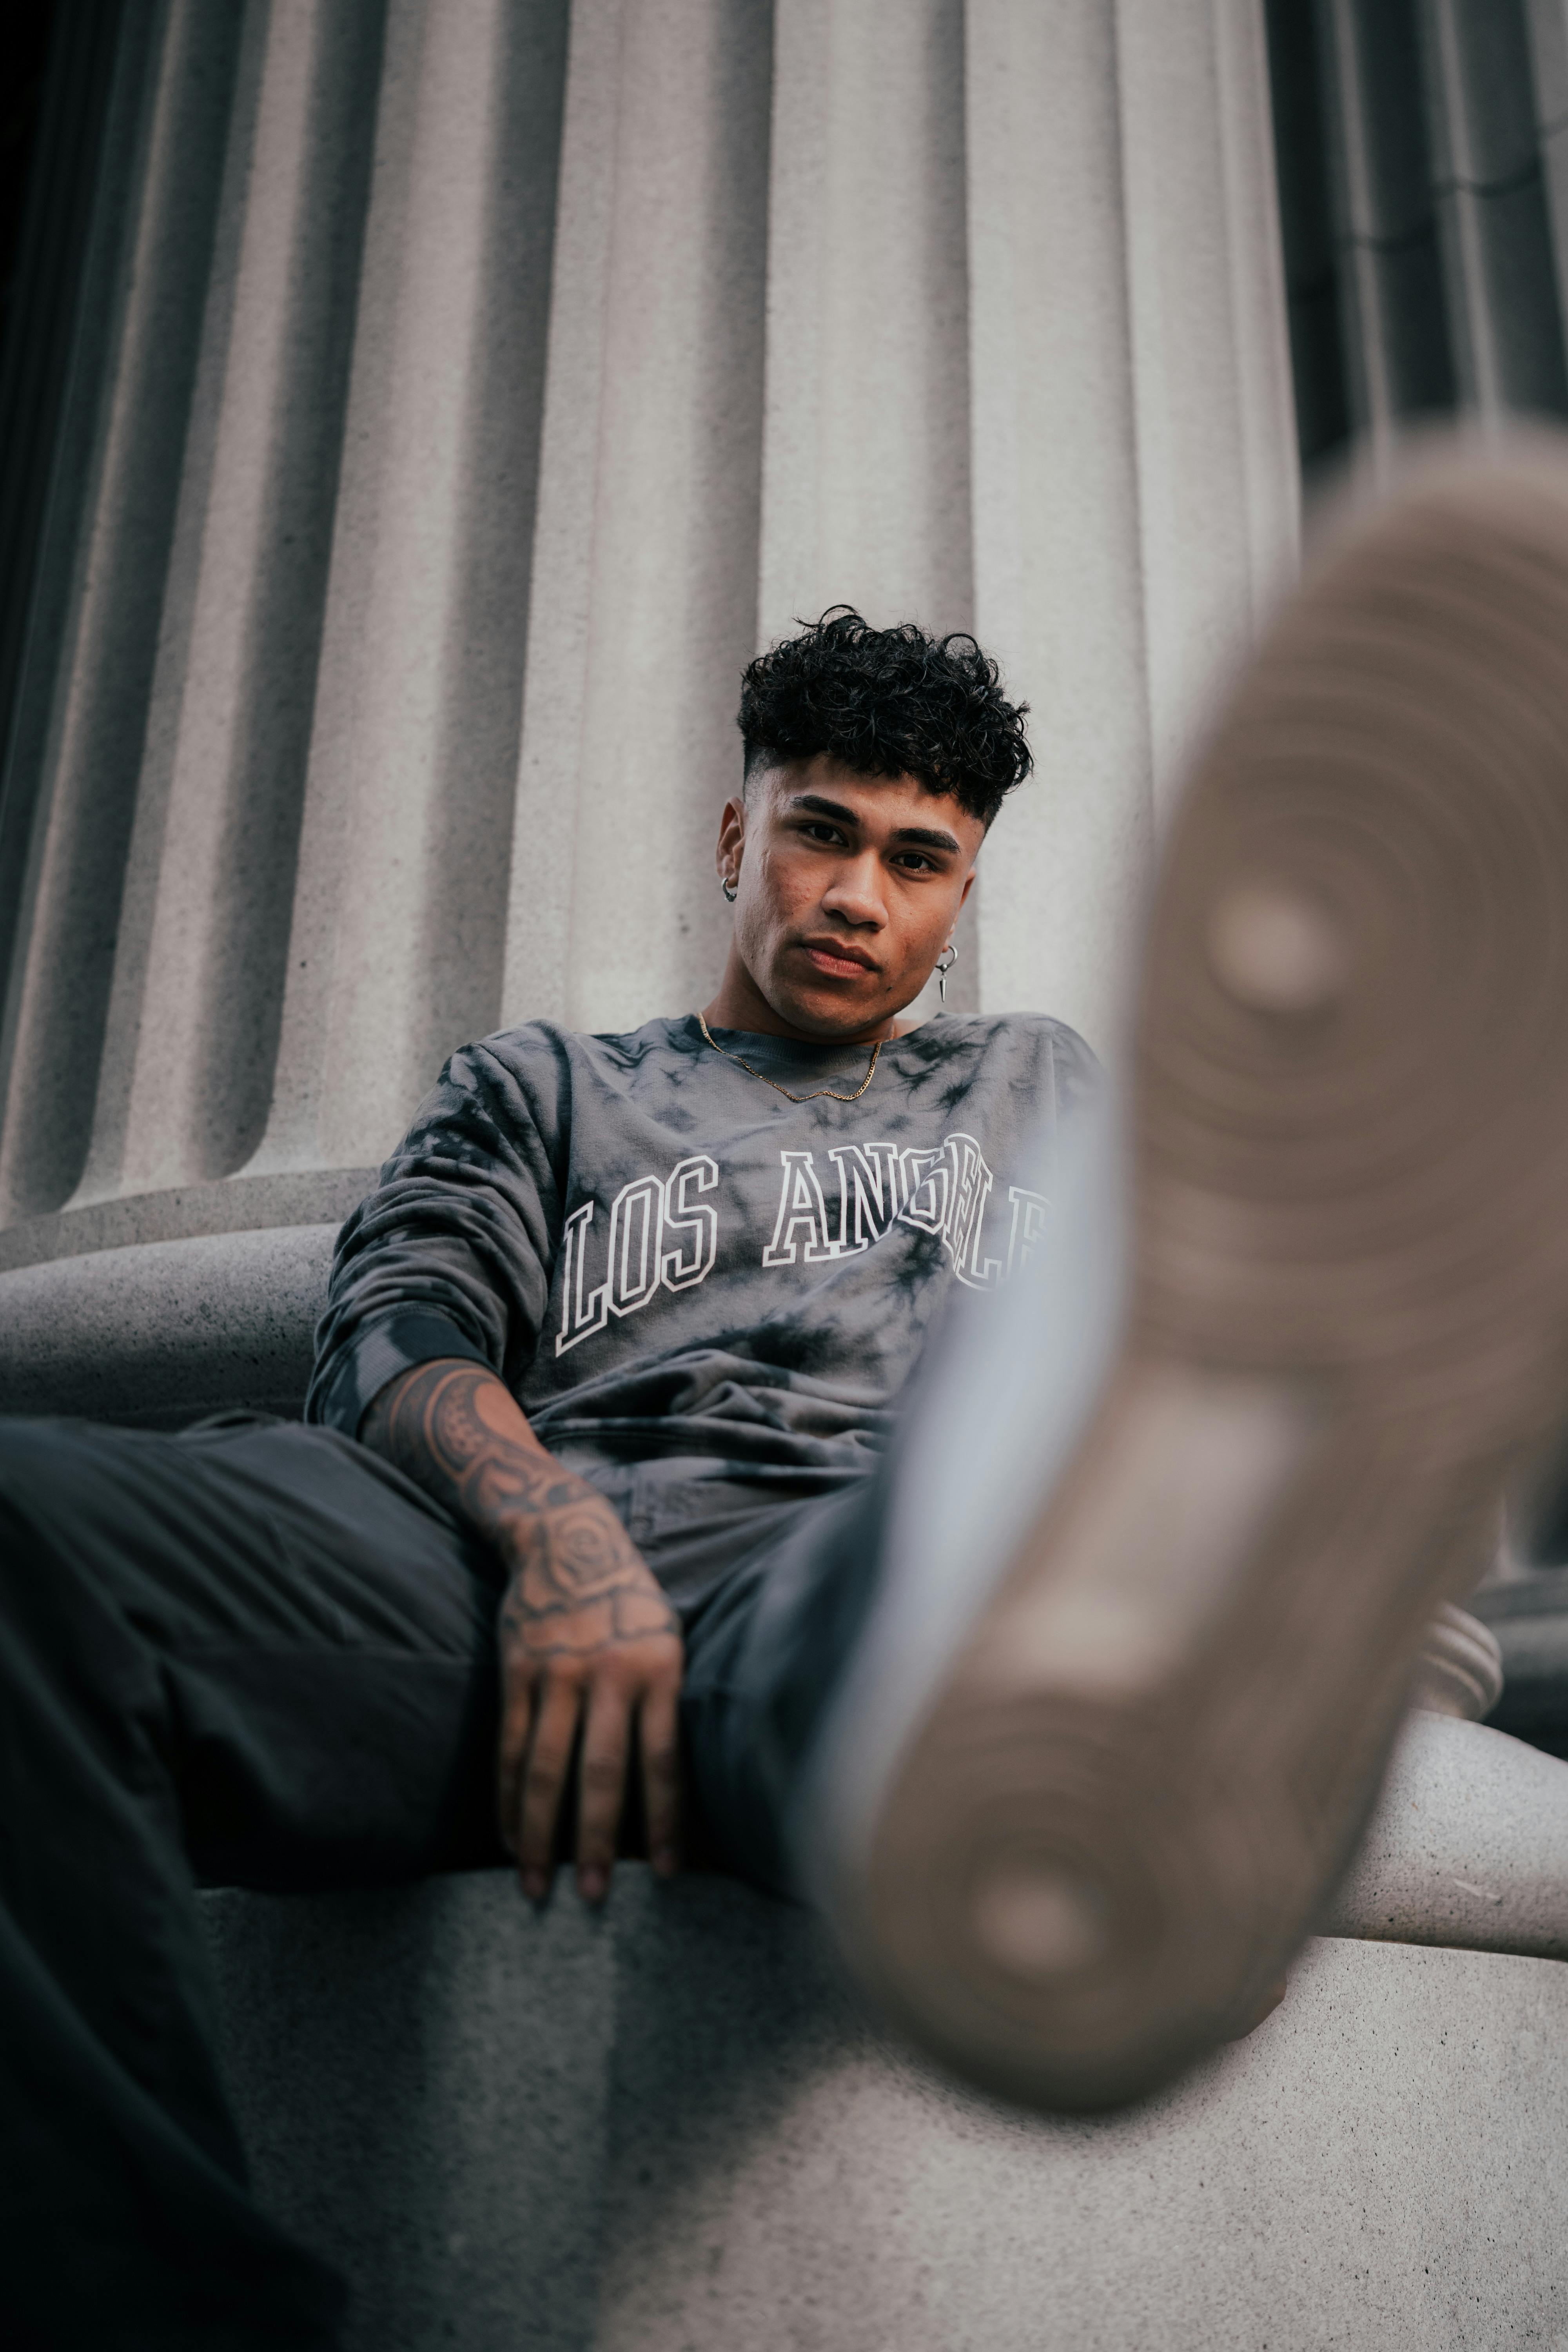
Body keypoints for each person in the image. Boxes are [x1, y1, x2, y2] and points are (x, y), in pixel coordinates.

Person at [8, 444, 1568, 2346]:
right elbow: (398, 1337)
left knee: (941, 1551)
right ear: (735, 833)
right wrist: (552, 1529)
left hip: (850, 1572)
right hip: (506, 1577)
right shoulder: (545, 1085)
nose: (858, 896)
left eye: (920, 864)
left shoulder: (1041, 1092)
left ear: (962, 892)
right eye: (822, 832)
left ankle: (1155, 1722)